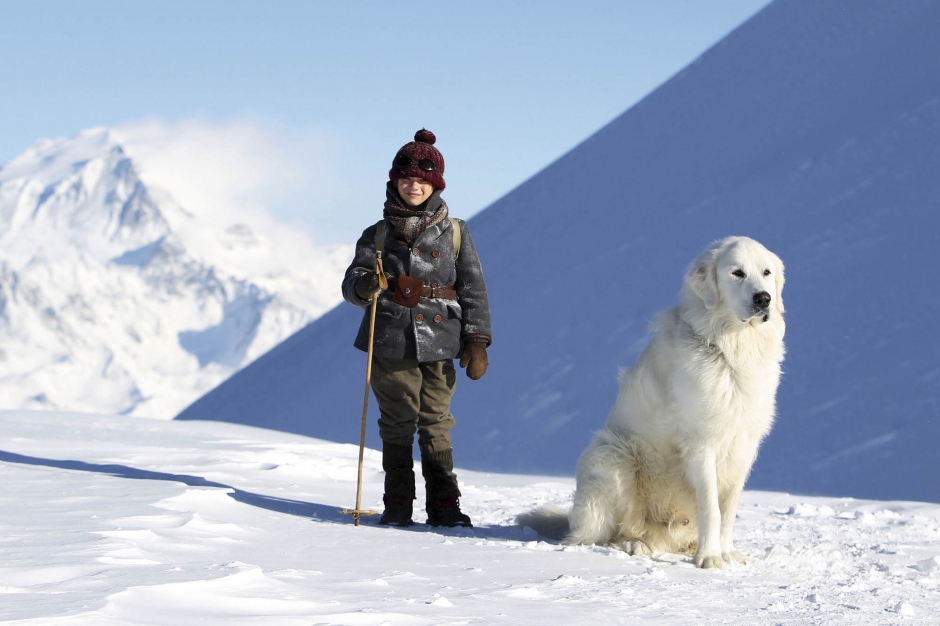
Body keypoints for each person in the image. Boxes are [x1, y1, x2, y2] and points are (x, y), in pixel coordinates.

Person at [341, 129, 492, 528]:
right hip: (389, 339)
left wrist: (477, 340)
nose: (414, 186)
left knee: (436, 421)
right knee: (397, 421)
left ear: (435, 185)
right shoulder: (376, 233)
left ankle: (445, 505)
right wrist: (364, 285)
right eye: (407, 179)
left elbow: (473, 286)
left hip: (442, 340)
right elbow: (351, 283)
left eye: (423, 181)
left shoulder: (456, 231)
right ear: (395, 181)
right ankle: (397, 504)